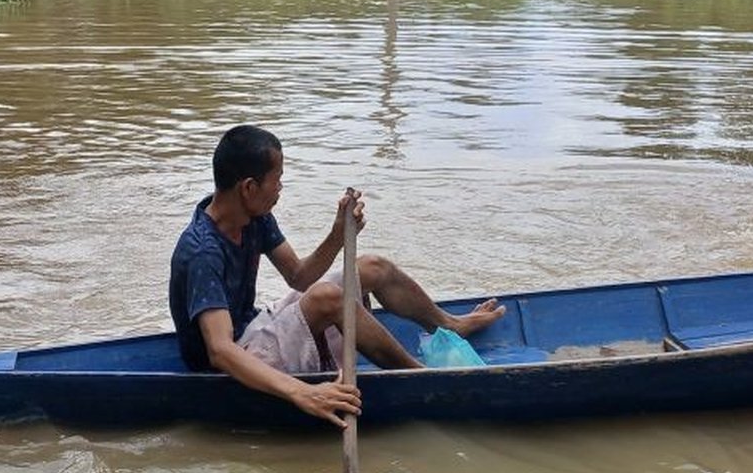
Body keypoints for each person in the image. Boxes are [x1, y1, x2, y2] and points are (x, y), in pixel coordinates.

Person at [169, 124, 506, 427]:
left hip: (256, 326)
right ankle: (421, 378)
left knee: (373, 267)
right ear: (248, 187)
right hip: (232, 364)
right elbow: (220, 351)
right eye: (277, 179)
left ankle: (449, 324)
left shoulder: (253, 216)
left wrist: (339, 233)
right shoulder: (203, 251)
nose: (280, 188)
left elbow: (299, 276)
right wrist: (303, 393)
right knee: (327, 299)